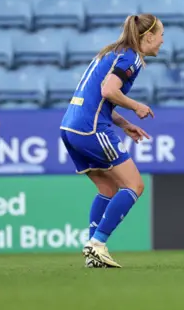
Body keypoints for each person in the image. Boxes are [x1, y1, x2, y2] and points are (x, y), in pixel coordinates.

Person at [60, 14, 164, 268]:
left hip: (70, 126)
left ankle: (93, 253)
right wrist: (135, 106)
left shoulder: (112, 53)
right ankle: (97, 244)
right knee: (135, 185)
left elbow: (99, 99)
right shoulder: (132, 58)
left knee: (107, 188)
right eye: (161, 35)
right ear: (147, 37)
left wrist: (124, 124)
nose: (162, 42)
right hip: (90, 128)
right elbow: (109, 91)